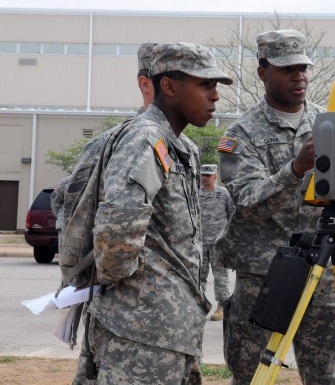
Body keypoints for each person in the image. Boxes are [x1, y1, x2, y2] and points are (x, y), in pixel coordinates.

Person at [75, 42, 233, 384]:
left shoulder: (182, 147)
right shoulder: (145, 140)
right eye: (204, 84)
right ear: (169, 86)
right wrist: (137, 295)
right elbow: (117, 235)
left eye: (215, 86)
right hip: (140, 332)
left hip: (170, 329)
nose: (215, 95)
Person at [216, 29, 335, 384]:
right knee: (253, 373)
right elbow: (246, 202)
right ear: (262, 72)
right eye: (287, 69)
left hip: (325, 271)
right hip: (264, 274)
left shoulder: (330, 123)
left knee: (330, 374)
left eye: (302, 68)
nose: (298, 76)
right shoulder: (239, 135)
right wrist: (295, 169)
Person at [66, 42, 158, 385]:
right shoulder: (114, 141)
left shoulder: (177, 144)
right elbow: (70, 204)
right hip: (119, 306)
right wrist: (83, 277)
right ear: (145, 84)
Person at [199, 163, 235, 321]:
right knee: (198, 276)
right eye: (203, 175)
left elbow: (233, 216)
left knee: (220, 277)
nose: (205, 178)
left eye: (208, 175)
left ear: (215, 176)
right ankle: (199, 304)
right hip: (198, 243)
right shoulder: (195, 194)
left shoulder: (223, 194)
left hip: (217, 243)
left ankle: (222, 306)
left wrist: (229, 239)